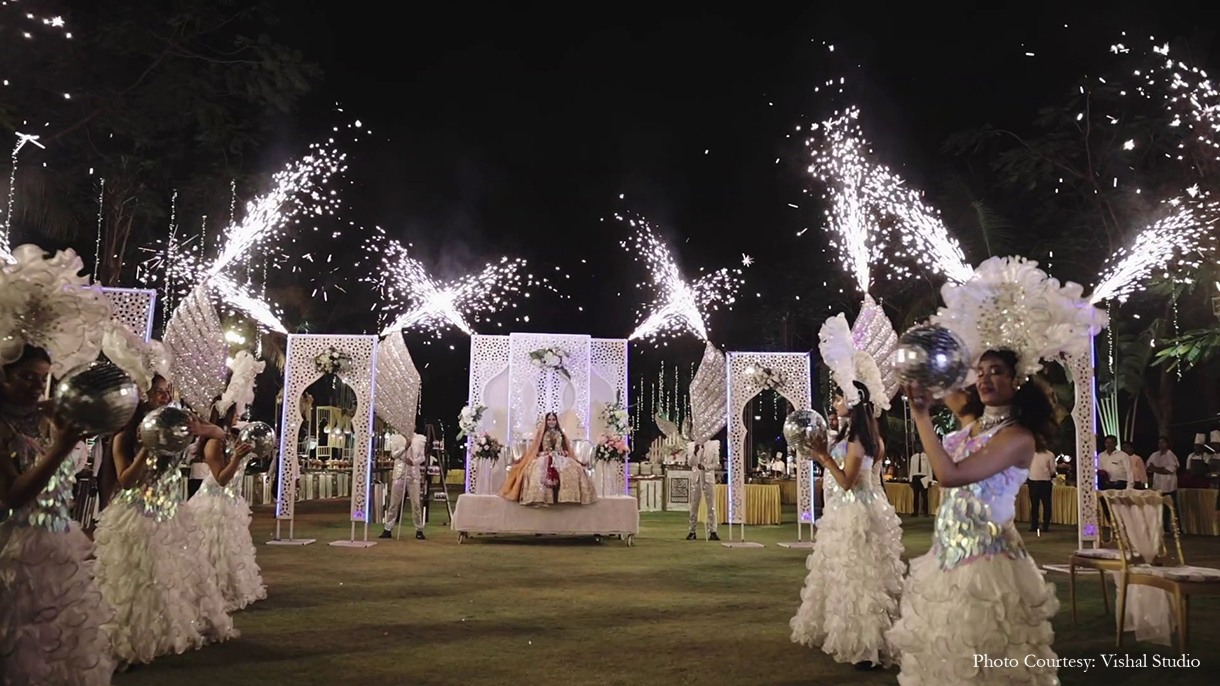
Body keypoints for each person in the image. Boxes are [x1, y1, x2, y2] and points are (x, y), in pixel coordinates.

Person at [890, 350, 1061, 684]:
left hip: (988, 564)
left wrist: (921, 415)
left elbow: (949, 474)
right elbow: (957, 405)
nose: (984, 378)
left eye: (995, 371)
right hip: (947, 558)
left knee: (982, 656)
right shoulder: (970, 429)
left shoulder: (1017, 437)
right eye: (980, 371)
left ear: (1017, 380)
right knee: (945, 652)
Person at [792, 308, 904, 671]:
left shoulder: (859, 440)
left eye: (840, 399)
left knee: (859, 580)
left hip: (856, 512)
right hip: (850, 511)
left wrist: (824, 456)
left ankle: (866, 646)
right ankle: (841, 632)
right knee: (843, 574)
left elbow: (846, 480)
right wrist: (823, 451)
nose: (835, 404)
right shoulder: (860, 436)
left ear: (852, 404)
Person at [95, 378, 236, 666]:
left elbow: (220, 433)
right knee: (140, 578)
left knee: (174, 576)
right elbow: (126, 480)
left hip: (171, 513)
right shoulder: (124, 437)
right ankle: (137, 636)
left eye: (166, 392)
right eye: (158, 391)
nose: (163, 396)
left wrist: (201, 428)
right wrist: (147, 449)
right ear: (143, 395)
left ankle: (171, 630)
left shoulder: (175, 428)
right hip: (137, 515)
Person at [0, 345, 115, 685]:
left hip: (55, 544)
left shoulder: (44, 418)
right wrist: (62, 446)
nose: (36, 385)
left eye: (43, 378)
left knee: (56, 638)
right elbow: (13, 497)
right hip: (12, 550)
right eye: (26, 376)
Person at [185, 400, 267, 611]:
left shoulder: (229, 437)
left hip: (231, 500)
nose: (238, 416)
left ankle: (232, 586)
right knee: (214, 548)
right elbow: (221, 478)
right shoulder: (214, 443)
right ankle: (212, 590)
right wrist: (237, 459)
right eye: (235, 412)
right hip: (215, 501)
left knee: (231, 547)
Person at [499, 412, 596, 505]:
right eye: (549, 420)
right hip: (544, 457)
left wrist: (563, 452)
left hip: (560, 457)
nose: (551, 421)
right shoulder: (541, 434)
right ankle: (542, 497)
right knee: (537, 470)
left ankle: (567, 497)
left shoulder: (560, 434)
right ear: (546, 421)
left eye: (553, 419)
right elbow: (536, 449)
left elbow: (565, 448)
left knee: (573, 469)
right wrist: (542, 453)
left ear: (556, 421)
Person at [381, 432, 427, 540]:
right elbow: (394, 455)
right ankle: (388, 528)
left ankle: (419, 529)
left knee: (416, 504)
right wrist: (404, 448)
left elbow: (422, 457)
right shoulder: (397, 438)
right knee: (393, 503)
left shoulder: (419, 439)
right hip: (399, 474)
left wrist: (414, 462)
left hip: (413, 475)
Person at [685, 439, 720, 541]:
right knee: (694, 506)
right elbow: (690, 463)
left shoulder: (714, 444)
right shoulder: (691, 445)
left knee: (711, 506)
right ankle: (692, 531)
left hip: (708, 479)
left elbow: (716, 463)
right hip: (696, 479)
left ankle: (713, 531)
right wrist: (695, 452)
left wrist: (706, 467)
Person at [1146, 436, 1181, 534]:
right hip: (1158, 486)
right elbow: (1148, 467)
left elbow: (1169, 470)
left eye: (1163, 442)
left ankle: (1178, 530)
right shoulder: (1155, 455)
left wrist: (1156, 469)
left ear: (1168, 444)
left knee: (1173, 508)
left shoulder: (1171, 455)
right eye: (1159, 443)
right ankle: (1165, 529)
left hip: (1169, 486)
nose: (1161, 445)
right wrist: (1156, 469)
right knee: (1161, 509)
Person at [1027, 449, 1057, 533]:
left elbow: (1052, 470)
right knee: (1036, 505)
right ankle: (1036, 525)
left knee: (1044, 505)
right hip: (1035, 481)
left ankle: (1043, 525)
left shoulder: (1050, 455)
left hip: (1043, 482)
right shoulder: (1030, 453)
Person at [909, 443, 931, 516]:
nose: (918, 448)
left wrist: (930, 480)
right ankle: (915, 512)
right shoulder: (913, 457)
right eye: (917, 447)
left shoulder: (927, 456)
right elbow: (911, 469)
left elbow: (929, 469)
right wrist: (910, 480)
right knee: (916, 496)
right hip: (915, 477)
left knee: (924, 496)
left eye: (920, 446)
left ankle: (926, 512)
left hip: (924, 477)